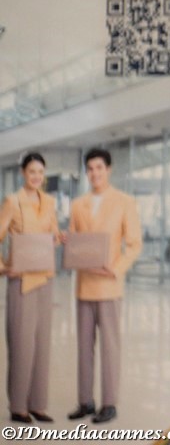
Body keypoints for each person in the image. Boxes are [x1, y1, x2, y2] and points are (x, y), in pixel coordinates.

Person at [66, 148, 142, 425]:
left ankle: (109, 403)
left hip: (109, 285)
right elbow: (75, 240)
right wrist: (67, 241)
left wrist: (117, 268)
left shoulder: (124, 202)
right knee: (84, 346)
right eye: (90, 168)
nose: (95, 173)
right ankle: (85, 401)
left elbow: (134, 243)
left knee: (110, 347)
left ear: (108, 169)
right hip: (84, 284)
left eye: (99, 167)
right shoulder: (78, 205)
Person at [0, 152, 60, 424]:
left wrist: (59, 238)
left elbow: (53, 235)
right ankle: (18, 406)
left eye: (40, 172)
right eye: (32, 171)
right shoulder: (12, 202)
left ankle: (38, 404)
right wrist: (4, 267)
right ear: (23, 173)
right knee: (22, 344)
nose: (36, 176)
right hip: (22, 281)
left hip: (45, 278)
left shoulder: (49, 202)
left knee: (41, 344)